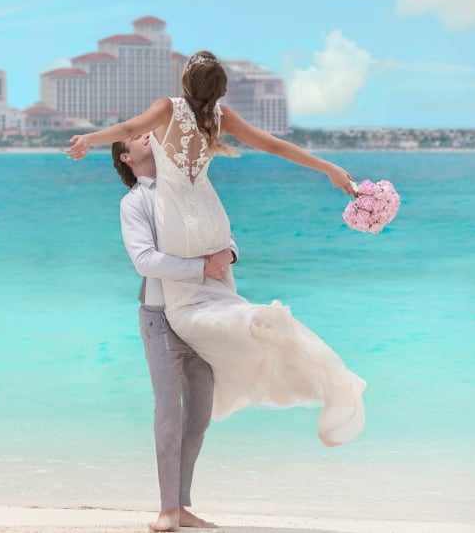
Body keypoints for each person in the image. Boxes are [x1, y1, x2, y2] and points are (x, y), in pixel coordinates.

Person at [67, 51, 366, 449]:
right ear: (218, 90)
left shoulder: (166, 109)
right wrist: (328, 167)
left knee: (192, 306)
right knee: (223, 299)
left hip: (180, 226)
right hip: (213, 221)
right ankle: (264, 334)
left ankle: (245, 337)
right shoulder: (220, 118)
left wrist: (89, 138)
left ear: (186, 82)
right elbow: (276, 146)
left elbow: (126, 126)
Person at [113, 132, 238, 532]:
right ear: (127, 158)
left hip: (203, 314)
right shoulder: (135, 202)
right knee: (169, 412)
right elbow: (145, 261)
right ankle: (168, 510)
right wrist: (201, 268)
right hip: (161, 317)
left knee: (199, 416)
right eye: (131, 138)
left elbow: (224, 234)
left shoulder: (185, 187)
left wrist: (227, 255)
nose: (143, 133)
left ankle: (182, 506)